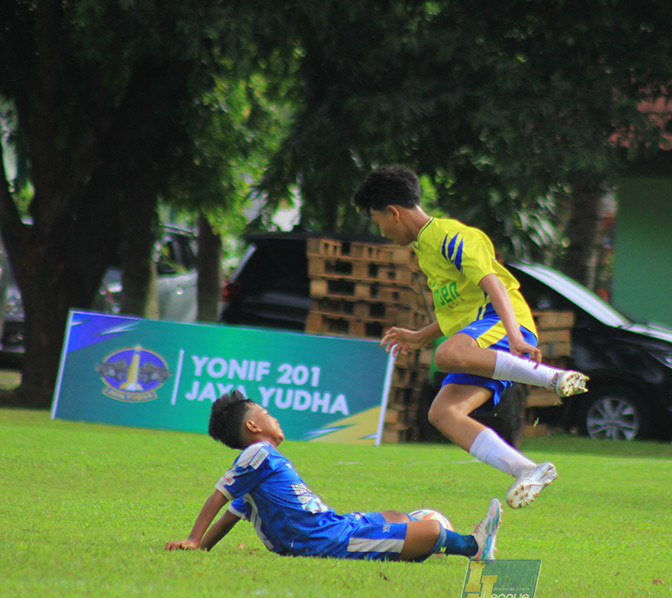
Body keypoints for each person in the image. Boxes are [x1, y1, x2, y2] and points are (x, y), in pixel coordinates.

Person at [352, 165, 589, 509]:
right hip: (480, 334)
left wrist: (516, 338)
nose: (382, 232)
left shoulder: (450, 235)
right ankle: (528, 470)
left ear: (394, 212)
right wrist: (420, 336)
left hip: (503, 323)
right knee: (443, 413)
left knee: (446, 355)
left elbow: (493, 283)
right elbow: (459, 313)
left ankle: (550, 377)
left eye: (378, 222)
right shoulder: (424, 249)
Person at [165, 390, 502, 562]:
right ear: (253, 426)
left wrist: (203, 548)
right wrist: (195, 539)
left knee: (397, 517)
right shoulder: (257, 454)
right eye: (267, 414)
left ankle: (432, 543)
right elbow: (219, 497)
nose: (275, 418)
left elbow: (230, 516)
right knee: (430, 527)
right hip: (325, 540)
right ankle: (472, 546)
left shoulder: (259, 470)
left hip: (332, 526)